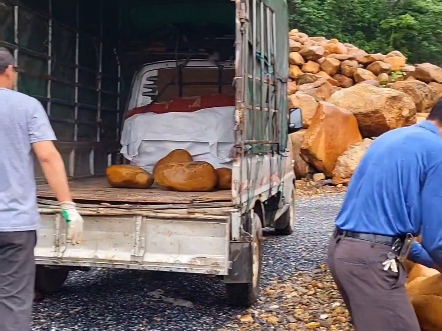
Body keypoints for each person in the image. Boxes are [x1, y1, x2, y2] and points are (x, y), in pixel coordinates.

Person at [328, 98, 442, 331]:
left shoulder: (393, 138)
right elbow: (436, 239)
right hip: (370, 261)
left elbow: (385, 221)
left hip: (343, 251)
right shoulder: (437, 152)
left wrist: (430, 263)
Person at [0, 47, 84, 331]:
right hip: (14, 224)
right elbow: (47, 156)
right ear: (10, 71)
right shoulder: (26, 106)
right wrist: (67, 206)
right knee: (12, 299)